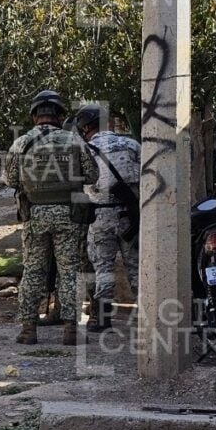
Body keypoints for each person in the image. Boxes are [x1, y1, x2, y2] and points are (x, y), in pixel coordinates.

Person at [5, 90, 99, 346]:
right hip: (70, 215)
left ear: (35, 115)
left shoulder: (21, 143)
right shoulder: (75, 141)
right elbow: (92, 176)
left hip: (35, 215)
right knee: (70, 272)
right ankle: (70, 331)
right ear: (59, 115)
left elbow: (11, 179)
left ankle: (28, 330)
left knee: (34, 270)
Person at [73, 104, 140, 332]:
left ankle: (102, 318)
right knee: (136, 266)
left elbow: (79, 184)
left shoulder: (84, 150)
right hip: (130, 215)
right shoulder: (132, 145)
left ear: (86, 127)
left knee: (103, 268)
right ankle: (149, 315)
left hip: (100, 215)